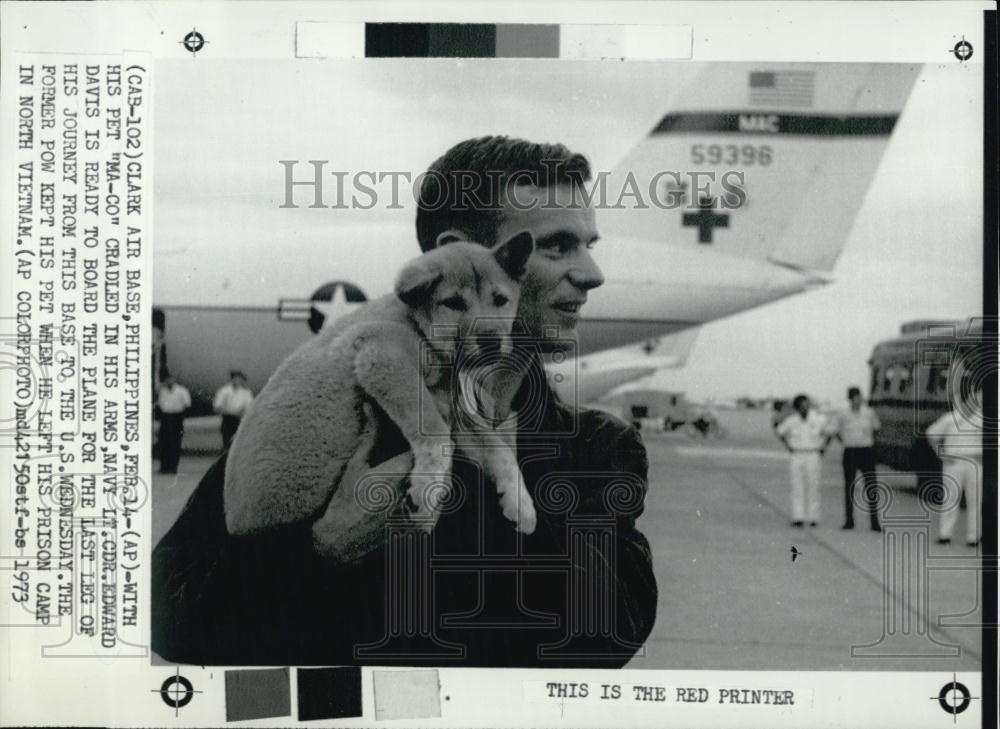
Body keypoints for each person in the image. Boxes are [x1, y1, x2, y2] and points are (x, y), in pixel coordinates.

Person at [152, 136, 658, 667]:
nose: (592, 274)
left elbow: (610, 636)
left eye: (589, 246)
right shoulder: (310, 419)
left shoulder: (600, 447)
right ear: (458, 254)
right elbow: (172, 618)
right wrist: (314, 554)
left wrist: (477, 484)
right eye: (556, 246)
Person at [926, 379, 983, 546]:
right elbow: (932, 435)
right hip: (954, 463)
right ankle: (945, 534)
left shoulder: (982, 420)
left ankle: (973, 537)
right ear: (962, 402)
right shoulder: (951, 418)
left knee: (975, 500)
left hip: (975, 463)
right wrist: (941, 454)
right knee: (950, 499)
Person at [775, 394, 831, 527]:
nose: (805, 409)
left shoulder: (819, 419)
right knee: (797, 486)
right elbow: (780, 432)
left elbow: (829, 433)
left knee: (814, 486)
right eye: (802, 406)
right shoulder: (791, 421)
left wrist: (823, 448)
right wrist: (787, 445)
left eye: (807, 406)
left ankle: (813, 517)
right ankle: (798, 516)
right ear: (797, 408)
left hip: (813, 454)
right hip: (797, 454)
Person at [833, 386, 882, 531]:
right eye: (855, 398)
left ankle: (875, 523)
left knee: (871, 487)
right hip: (850, 451)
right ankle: (849, 521)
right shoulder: (843, 414)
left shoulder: (869, 413)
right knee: (849, 486)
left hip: (866, 451)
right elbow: (836, 431)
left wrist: (871, 444)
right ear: (850, 399)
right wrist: (845, 442)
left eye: (859, 398)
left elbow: (876, 429)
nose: (858, 401)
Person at [157, 374, 191, 475]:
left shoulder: (182, 391)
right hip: (165, 417)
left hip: (176, 416)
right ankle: (164, 467)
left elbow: (187, 404)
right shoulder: (163, 391)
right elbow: (161, 404)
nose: (169, 381)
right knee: (164, 441)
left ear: (174, 380)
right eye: (167, 380)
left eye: (171, 379)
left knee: (175, 442)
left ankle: (173, 467)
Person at [213, 370, 255, 448]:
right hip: (227, 419)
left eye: (239, 379)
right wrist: (230, 412)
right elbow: (217, 407)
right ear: (231, 379)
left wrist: (241, 413)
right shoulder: (224, 391)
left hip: (240, 420)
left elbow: (249, 407)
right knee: (227, 442)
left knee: (238, 443)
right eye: (235, 379)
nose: (237, 381)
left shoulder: (246, 393)